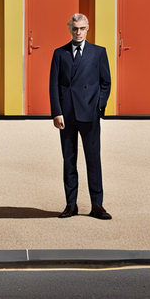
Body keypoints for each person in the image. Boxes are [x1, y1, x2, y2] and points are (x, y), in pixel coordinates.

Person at [49, 13, 112, 220]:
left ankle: (97, 205)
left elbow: (106, 82)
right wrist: (56, 112)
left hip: (89, 114)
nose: (78, 32)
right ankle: (71, 204)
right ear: (69, 29)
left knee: (93, 159)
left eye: (82, 28)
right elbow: (54, 85)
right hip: (66, 115)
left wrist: (98, 107)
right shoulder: (60, 53)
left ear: (88, 29)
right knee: (69, 160)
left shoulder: (98, 52)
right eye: (75, 28)